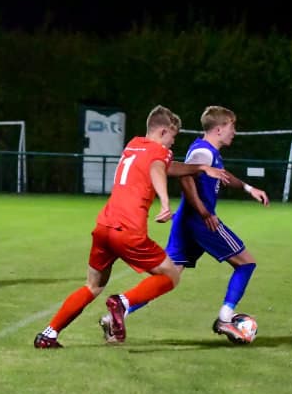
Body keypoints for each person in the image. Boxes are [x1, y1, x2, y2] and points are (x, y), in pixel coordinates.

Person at [33, 105, 230, 349]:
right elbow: (158, 168)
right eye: (173, 136)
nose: (173, 142)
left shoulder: (134, 145)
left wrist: (200, 167)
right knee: (170, 276)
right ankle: (122, 302)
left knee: (93, 286)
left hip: (104, 226)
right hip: (128, 231)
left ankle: (49, 334)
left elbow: (165, 166)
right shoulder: (159, 152)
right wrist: (165, 201)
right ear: (163, 132)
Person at [99, 106, 269, 344]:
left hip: (186, 221)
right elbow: (186, 177)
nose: (235, 132)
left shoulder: (208, 151)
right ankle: (225, 318)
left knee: (167, 278)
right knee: (246, 263)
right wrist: (204, 212)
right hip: (201, 222)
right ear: (219, 129)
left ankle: (118, 313)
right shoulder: (203, 152)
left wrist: (249, 188)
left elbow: (223, 175)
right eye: (232, 127)